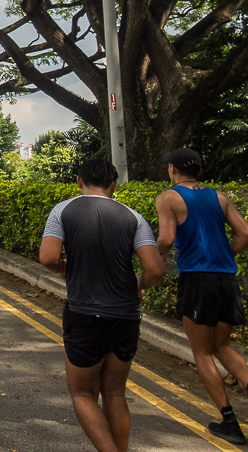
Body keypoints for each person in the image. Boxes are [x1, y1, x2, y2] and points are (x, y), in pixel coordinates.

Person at [39, 158, 166, 452]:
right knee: (115, 394)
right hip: (125, 316)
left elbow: (47, 257)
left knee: (83, 394)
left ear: (79, 181)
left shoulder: (63, 210)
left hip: (84, 314)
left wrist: (65, 268)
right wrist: (139, 286)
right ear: (113, 185)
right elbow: (155, 269)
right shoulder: (133, 217)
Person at [155, 148, 248, 444]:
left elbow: (168, 238)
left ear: (172, 169)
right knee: (222, 345)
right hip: (226, 279)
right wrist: (222, 256)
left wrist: (155, 257)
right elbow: (246, 233)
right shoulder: (220, 197)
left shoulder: (168, 198)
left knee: (202, 352)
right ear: (198, 170)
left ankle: (229, 421)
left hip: (197, 280)